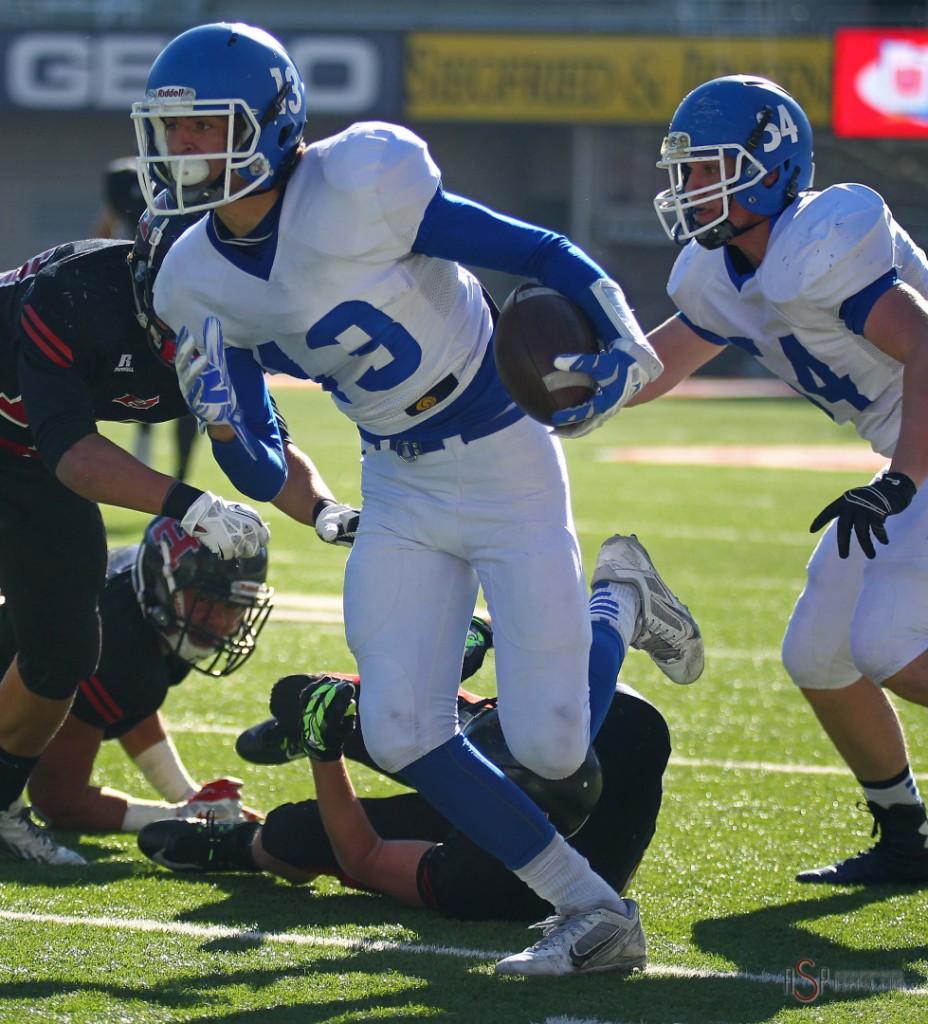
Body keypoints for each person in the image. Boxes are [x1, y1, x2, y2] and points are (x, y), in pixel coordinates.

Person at [131, 23, 703, 975]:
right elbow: (266, 475)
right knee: (400, 727)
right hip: (397, 476)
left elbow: (541, 250)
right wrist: (230, 428)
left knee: (554, 749)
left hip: (503, 450)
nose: (182, 152)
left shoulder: (361, 181)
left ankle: (620, 600)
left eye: (204, 129)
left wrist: (617, 331)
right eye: (172, 132)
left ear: (273, 126)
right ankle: (594, 913)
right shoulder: (193, 276)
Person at [596, 74, 928, 885]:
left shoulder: (822, 242)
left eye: (712, 169)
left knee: (884, 641)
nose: (691, 188)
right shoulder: (722, 271)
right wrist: (568, 389)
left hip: (918, 446)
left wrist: (903, 479)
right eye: (688, 170)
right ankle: (905, 836)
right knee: (818, 653)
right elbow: (657, 362)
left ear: (772, 170)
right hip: (903, 443)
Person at [0, 189, 351, 867]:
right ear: (152, 271)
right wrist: (190, 504)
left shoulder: (228, 333)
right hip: (46, 447)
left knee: (65, 652)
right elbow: (76, 455)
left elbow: (265, 445)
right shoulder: (73, 295)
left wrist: (328, 511)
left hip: (28, 457)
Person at [137, 540, 672, 936]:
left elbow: (364, 856)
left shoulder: (478, 883)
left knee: (295, 832)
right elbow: (562, 677)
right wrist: (480, 644)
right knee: (487, 724)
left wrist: (324, 753)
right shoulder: (631, 733)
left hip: (496, 859)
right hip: (595, 759)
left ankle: (243, 841)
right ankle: (366, 707)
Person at [0, 514, 273, 837]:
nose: (222, 622)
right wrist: (181, 816)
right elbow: (58, 801)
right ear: (164, 583)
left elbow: (129, 703)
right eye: (209, 602)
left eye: (235, 606)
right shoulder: (116, 644)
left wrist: (186, 795)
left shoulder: (146, 599)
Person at [96, 157, 200, 480]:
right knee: (140, 363)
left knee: (192, 381)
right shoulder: (125, 179)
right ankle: (143, 429)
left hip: (190, 291)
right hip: (141, 287)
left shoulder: (203, 182)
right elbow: (106, 225)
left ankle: (181, 475)